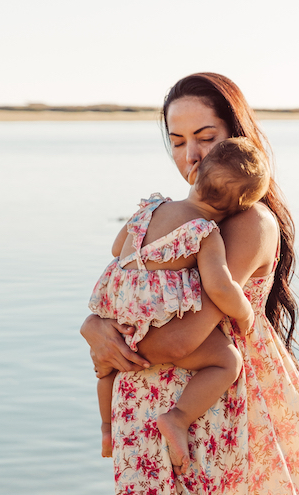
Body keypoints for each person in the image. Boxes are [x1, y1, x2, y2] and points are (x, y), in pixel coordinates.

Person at [81, 73, 299, 495]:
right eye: (177, 141)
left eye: (206, 138)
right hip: (157, 415)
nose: (191, 156)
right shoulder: (182, 219)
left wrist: (107, 334)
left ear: (237, 139)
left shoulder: (248, 222)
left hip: (212, 416)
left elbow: (182, 338)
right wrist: (93, 327)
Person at [89, 137, 270, 468]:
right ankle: (179, 417)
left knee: (107, 368)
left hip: (117, 311)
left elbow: (118, 250)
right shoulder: (204, 232)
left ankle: (105, 428)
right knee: (226, 362)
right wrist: (244, 313)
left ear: (197, 171)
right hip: (156, 326)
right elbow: (219, 287)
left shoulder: (152, 208)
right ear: (239, 207)